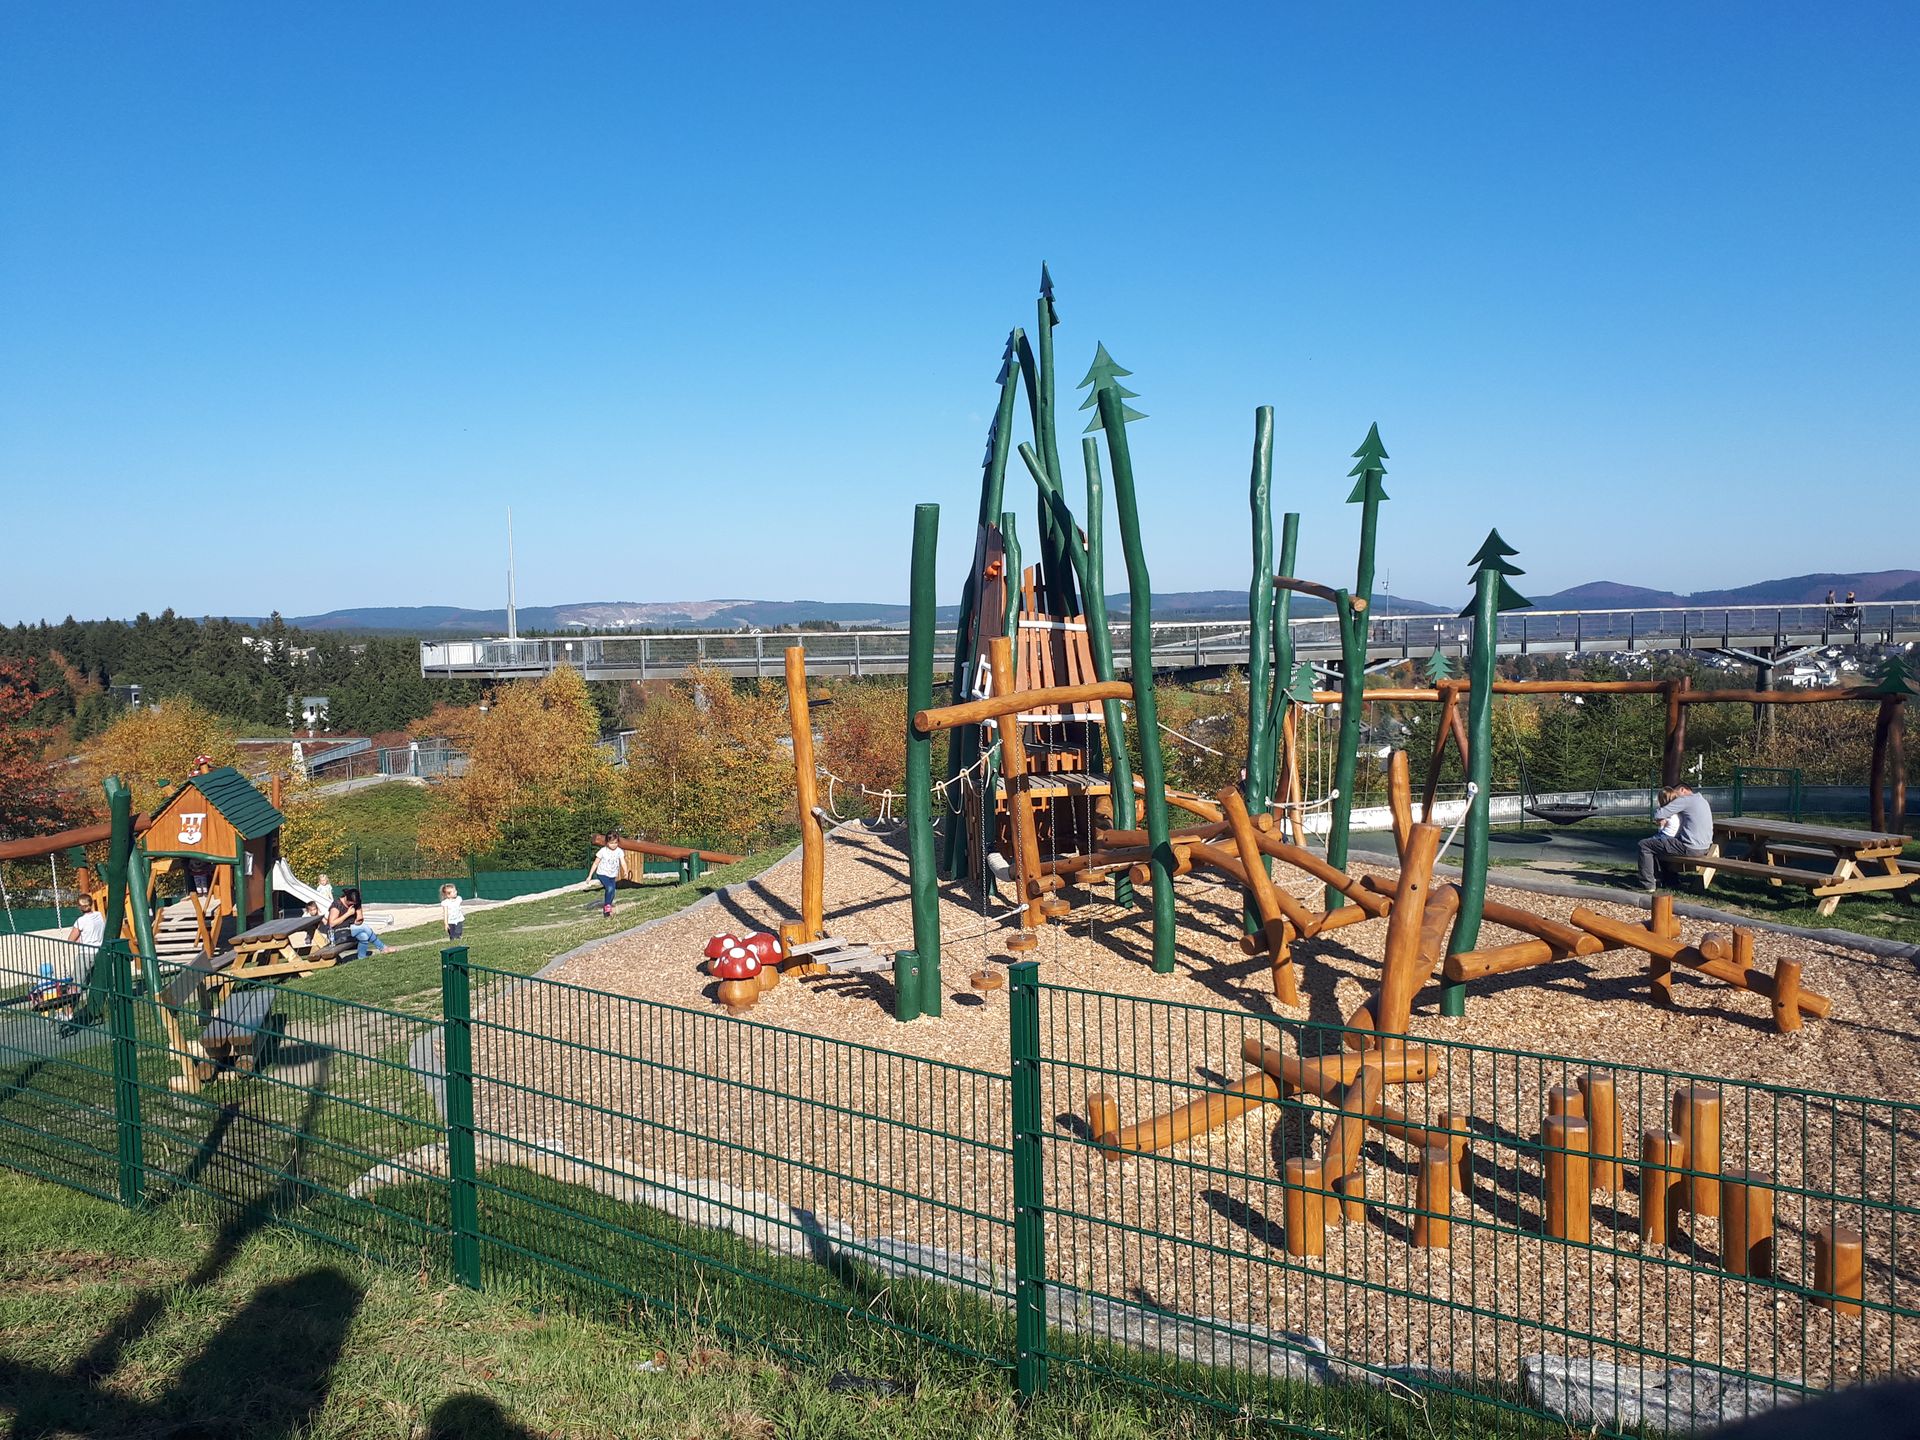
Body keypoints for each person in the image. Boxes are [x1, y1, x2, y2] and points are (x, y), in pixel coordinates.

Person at [1638, 784, 1714, 891]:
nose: (1674, 799)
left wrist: (1661, 819)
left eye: (1675, 795)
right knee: (1663, 845)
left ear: (1682, 790)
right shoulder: (1702, 800)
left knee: (1644, 845)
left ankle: (1648, 884)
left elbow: (1658, 814)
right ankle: (1670, 880)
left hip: (1690, 847)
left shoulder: (1685, 800)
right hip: (1705, 847)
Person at [326, 887, 388, 959]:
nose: (352, 905)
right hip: (337, 933)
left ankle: (361, 958)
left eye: (354, 904)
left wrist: (358, 920)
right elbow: (332, 924)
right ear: (346, 898)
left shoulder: (356, 902)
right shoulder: (337, 904)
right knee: (364, 927)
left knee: (364, 936)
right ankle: (382, 947)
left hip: (351, 929)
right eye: (350, 903)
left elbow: (359, 917)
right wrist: (348, 914)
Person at [63, 893, 107, 987]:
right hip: (99, 950)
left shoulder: (81, 921)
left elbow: (70, 939)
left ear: (79, 907)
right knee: (96, 977)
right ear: (91, 904)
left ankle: (74, 996)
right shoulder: (99, 915)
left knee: (77, 981)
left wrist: (80, 939)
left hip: (86, 953)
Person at [587, 833, 623, 917]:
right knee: (609, 888)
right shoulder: (602, 851)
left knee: (612, 892)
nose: (614, 845)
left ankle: (607, 907)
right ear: (607, 842)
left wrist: (625, 870)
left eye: (615, 843)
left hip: (612, 875)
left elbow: (623, 862)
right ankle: (607, 908)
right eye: (611, 843)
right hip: (602, 873)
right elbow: (595, 864)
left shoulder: (619, 851)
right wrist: (590, 875)